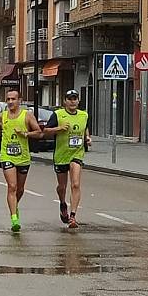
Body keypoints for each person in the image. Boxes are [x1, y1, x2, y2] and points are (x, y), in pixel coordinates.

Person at [0, 89, 41, 233]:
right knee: (12, 186)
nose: (10, 102)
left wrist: (25, 133)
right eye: (8, 99)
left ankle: (14, 206)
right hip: (7, 155)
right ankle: (14, 218)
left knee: (20, 189)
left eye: (13, 99)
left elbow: (39, 132)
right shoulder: (2, 116)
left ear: (20, 100)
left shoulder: (27, 116)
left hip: (23, 157)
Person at [43, 89, 91, 229]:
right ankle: (62, 202)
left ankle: (73, 216)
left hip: (77, 154)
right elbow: (45, 131)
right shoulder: (58, 115)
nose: (72, 101)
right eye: (70, 99)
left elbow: (85, 129)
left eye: (75, 98)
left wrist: (87, 138)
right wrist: (59, 129)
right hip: (61, 155)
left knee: (75, 184)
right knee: (62, 186)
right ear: (65, 101)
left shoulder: (84, 115)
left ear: (78, 100)